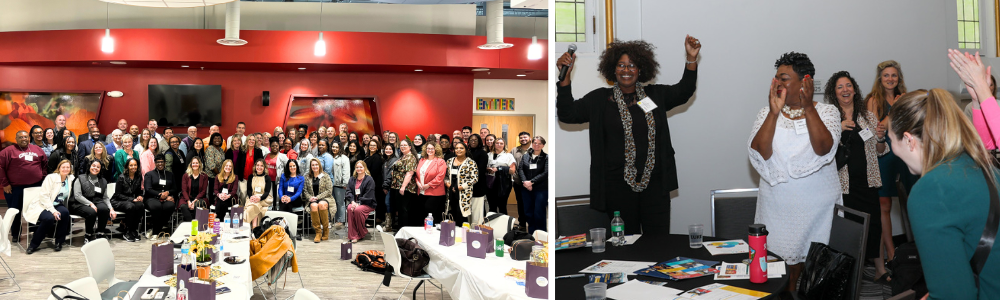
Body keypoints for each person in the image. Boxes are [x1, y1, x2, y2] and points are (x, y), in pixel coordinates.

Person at [557, 37, 701, 236]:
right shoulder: (599, 100)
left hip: (655, 186)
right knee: (625, 245)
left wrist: (691, 59)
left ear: (640, 69)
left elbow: (684, 91)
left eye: (632, 65)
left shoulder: (655, 96)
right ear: (613, 70)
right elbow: (568, 114)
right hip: (617, 189)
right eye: (621, 65)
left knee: (657, 243)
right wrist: (565, 78)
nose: (626, 70)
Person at [748, 52, 840, 290]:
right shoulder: (765, 112)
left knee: (813, 274)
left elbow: (823, 148)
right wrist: (773, 112)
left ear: (805, 81)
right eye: (776, 78)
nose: (777, 83)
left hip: (816, 208)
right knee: (779, 273)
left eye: (784, 78)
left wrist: (808, 106)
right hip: (777, 207)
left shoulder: (828, 112)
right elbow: (761, 151)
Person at [826, 71, 892, 280]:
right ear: (834, 93)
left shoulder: (867, 117)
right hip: (842, 184)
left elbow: (880, 151)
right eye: (840, 87)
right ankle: (850, 273)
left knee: (874, 225)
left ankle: (880, 270)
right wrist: (838, 129)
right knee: (849, 228)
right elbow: (822, 148)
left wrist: (881, 138)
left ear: (854, 90)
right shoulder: (829, 117)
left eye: (848, 86)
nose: (845, 90)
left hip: (868, 181)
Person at [865, 60, 917, 265]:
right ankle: (891, 254)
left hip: (904, 154)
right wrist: (893, 109)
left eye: (894, 75)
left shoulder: (904, 97)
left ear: (899, 78)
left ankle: (916, 247)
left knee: (910, 200)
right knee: (884, 205)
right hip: (883, 153)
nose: (890, 79)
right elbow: (875, 128)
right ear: (880, 79)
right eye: (886, 75)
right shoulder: (872, 100)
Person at [1, 130, 48, 242]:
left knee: (35, 210)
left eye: (26, 137)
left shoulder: (37, 149)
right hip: (15, 188)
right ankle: (15, 235)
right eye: (21, 137)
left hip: (35, 187)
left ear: (29, 138)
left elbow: (45, 164)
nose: (24, 139)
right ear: (16, 139)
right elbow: (0, 167)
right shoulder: (8, 151)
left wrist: (43, 178)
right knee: (15, 212)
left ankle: (35, 232)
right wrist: (5, 183)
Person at [24, 159, 74, 254]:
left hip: (57, 204)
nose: (65, 169)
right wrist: (53, 210)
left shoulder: (70, 178)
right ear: (59, 168)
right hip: (43, 204)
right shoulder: (51, 177)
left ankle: (59, 242)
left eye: (68, 167)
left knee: (65, 213)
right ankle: (33, 244)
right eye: (63, 167)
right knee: (49, 218)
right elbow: (43, 196)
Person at [72, 160, 116, 242]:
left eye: (98, 167)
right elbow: (77, 195)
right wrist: (90, 204)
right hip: (81, 203)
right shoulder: (80, 178)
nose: (95, 168)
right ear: (89, 166)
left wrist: (111, 209)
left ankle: (100, 233)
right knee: (91, 212)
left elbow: (105, 198)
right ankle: (88, 234)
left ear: (100, 169)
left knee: (104, 209)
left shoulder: (103, 181)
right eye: (93, 165)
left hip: (97, 201)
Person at [111, 158, 144, 242]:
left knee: (140, 205)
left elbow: (139, 192)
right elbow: (118, 194)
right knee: (131, 206)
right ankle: (127, 231)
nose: (133, 167)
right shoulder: (122, 177)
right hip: (118, 201)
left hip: (131, 200)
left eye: (135, 165)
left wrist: (140, 196)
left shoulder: (138, 177)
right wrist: (132, 199)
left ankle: (133, 229)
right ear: (127, 167)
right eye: (131, 165)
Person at [144, 154, 176, 236]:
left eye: (162, 162)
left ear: (165, 163)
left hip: (166, 198)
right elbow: (148, 189)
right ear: (155, 163)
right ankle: (156, 231)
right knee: (156, 206)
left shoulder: (170, 174)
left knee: (170, 206)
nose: (160, 164)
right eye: (158, 162)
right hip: (152, 198)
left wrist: (167, 193)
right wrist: (159, 195)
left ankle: (155, 230)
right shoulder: (149, 174)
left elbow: (174, 189)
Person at [446, 141, 477, 226]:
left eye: (461, 148)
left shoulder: (471, 163)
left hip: (463, 194)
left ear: (466, 150)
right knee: (451, 214)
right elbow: (445, 176)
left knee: (461, 216)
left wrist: (462, 187)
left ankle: (461, 236)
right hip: (451, 192)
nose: (458, 150)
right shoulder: (449, 161)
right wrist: (447, 183)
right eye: (456, 148)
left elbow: (474, 178)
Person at [389, 139, 418, 227]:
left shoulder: (411, 157)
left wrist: (403, 187)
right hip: (397, 186)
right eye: (401, 145)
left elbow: (410, 173)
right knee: (400, 210)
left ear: (410, 147)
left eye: (405, 145)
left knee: (404, 210)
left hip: (406, 188)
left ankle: (404, 230)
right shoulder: (403, 156)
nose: (403, 147)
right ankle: (400, 229)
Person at [303, 158, 333, 242]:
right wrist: (310, 198)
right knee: (313, 205)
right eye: (313, 165)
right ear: (310, 166)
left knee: (321, 205)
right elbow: (305, 191)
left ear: (319, 165)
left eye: (316, 165)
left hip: (325, 198)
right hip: (312, 199)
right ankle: (318, 232)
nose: (315, 166)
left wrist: (318, 197)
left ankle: (326, 230)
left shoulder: (325, 175)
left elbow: (329, 190)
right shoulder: (307, 177)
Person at [416, 141, 446, 225]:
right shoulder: (422, 160)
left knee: (431, 213)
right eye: (428, 148)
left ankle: (434, 233)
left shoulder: (440, 161)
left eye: (432, 148)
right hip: (421, 191)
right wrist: (418, 183)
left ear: (436, 150)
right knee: (423, 214)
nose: (430, 150)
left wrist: (428, 185)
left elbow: (440, 177)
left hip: (434, 193)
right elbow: (416, 174)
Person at [346, 161, 376, 243]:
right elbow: (348, 192)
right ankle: (353, 235)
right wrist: (352, 202)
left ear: (365, 168)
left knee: (357, 210)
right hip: (354, 203)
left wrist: (358, 203)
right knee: (349, 208)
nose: (359, 169)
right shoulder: (352, 179)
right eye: (357, 167)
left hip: (367, 203)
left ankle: (362, 232)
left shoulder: (369, 179)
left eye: (361, 167)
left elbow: (369, 194)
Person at [488, 137, 516, 215]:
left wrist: (499, 168)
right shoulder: (489, 155)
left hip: (504, 183)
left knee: (502, 206)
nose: (499, 145)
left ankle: (503, 225)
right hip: (491, 183)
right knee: (492, 206)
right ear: (494, 144)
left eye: (501, 143)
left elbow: (512, 170)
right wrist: (488, 169)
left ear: (504, 145)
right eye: (497, 143)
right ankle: (492, 225)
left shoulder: (508, 156)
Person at [242, 159, 273, 228]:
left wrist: (260, 198)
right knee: (255, 207)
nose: (259, 167)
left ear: (264, 167)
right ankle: (255, 228)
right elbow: (249, 190)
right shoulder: (251, 177)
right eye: (258, 165)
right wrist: (251, 197)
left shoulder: (267, 178)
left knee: (252, 207)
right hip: (252, 198)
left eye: (262, 166)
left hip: (264, 198)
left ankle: (245, 224)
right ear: (255, 167)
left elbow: (267, 192)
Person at [179, 156, 210, 222]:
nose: (195, 164)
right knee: (183, 206)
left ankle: (197, 224)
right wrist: (188, 201)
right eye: (193, 163)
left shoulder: (204, 176)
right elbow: (184, 190)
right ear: (191, 164)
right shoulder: (186, 175)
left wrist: (194, 201)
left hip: (199, 199)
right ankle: (191, 224)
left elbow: (203, 191)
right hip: (187, 198)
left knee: (197, 205)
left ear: (199, 164)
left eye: (197, 163)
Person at [467, 134, 489, 223]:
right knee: (468, 213)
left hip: (478, 186)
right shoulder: (467, 152)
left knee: (477, 213)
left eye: (475, 140)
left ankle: (476, 232)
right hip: (467, 186)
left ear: (479, 141)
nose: (473, 142)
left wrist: (470, 180)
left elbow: (480, 170)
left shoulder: (482, 153)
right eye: (471, 140)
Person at [329, 140, 351, 229]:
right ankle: (334, 219)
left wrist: (345, 183)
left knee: (340, 202)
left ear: (340, 148)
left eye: (336, 147)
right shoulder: (329, 157)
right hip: (330, 184)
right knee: (332, 202)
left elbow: (346, 171)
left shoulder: (344, 158)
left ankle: (341, 220)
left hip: (340, 184)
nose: (334, 148)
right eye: (333, 147)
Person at [511, 132, 531, 224]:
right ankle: (522, 223)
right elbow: (510, 163)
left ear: (530, 138)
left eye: (525, 137)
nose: (523, 139)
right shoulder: (514, 150)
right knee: (520, 203)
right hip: (518, 182)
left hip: (531, 182)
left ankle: (531, 223)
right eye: (521, 138)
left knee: (531, 203)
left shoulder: (534, 149)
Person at [363, 140, 385, 226]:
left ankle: (373, 222)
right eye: (370, 145)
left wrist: (367, 183)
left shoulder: (377, 157)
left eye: (374, 145)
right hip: (369, 182)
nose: (372, 147)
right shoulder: (368, 156)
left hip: (375, 183)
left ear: (377, 147)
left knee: (374, 202)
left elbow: (374, 172)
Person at [381, 144, 399, 230]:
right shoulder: (386, 160)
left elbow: (390, 175)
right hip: (387, 185)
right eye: (386, 149)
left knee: (388, 203)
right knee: (387, 204)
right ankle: (388, 222)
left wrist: (385, 186)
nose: (388, 150)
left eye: (390, 149)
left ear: (393, 150)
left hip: (390, 186)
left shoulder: (394, 160)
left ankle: (389, 224)